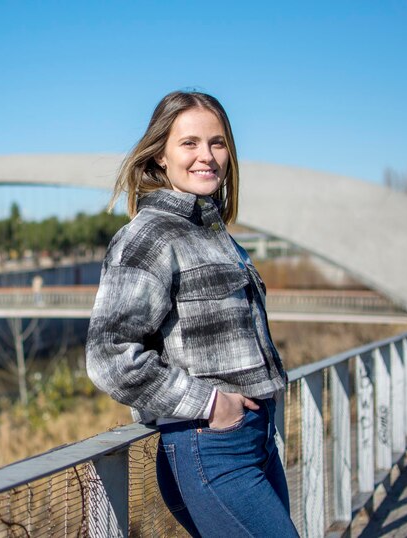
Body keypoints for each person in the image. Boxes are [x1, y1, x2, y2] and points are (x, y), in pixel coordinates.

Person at [86, 91, 299, 537]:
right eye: (190, 143)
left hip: (254, 440)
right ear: (160, 155)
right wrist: (211, 403)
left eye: (217, 143)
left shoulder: (213, 234)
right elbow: (109, 357)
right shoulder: (149, 236)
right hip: (212, 445)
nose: (207, 156)